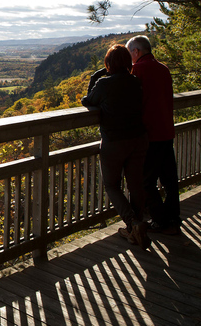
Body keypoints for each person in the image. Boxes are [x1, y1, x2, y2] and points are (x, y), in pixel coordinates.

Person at [82, 44, 151, 249]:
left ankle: (133, 223)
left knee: (112, 185)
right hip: (139, 139)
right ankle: (134, 231)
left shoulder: (104, 83)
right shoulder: (136, 82)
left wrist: (96, 77)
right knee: (135, 184)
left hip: (114, 141)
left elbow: (88, 100)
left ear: (108, 63)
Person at [126, 35, 182, 235]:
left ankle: (161, 221)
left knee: (145, 182)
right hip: (167, 130)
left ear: (136, 52)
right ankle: (174, 218)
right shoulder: (163, 69)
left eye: (130, 53)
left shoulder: (137, 70)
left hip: (150, 134)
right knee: (169, 179)